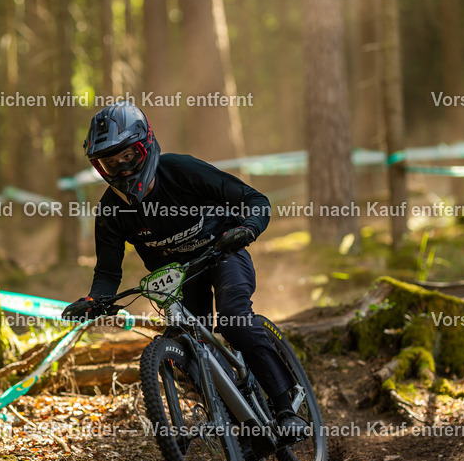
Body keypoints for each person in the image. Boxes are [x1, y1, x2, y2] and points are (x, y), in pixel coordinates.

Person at [61, 101, 308, 437]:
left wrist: (248, 228)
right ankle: (238, 426)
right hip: (180, 278)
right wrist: (94, 300)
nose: (122, 169)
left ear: (145, 146)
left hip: (224, 254)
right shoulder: (110, 211)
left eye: (128, 156)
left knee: (234, 320)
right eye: (110, 162)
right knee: (188, 348)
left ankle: (285, 406)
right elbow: (107, 272)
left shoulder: (182, 171)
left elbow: (255, 200)